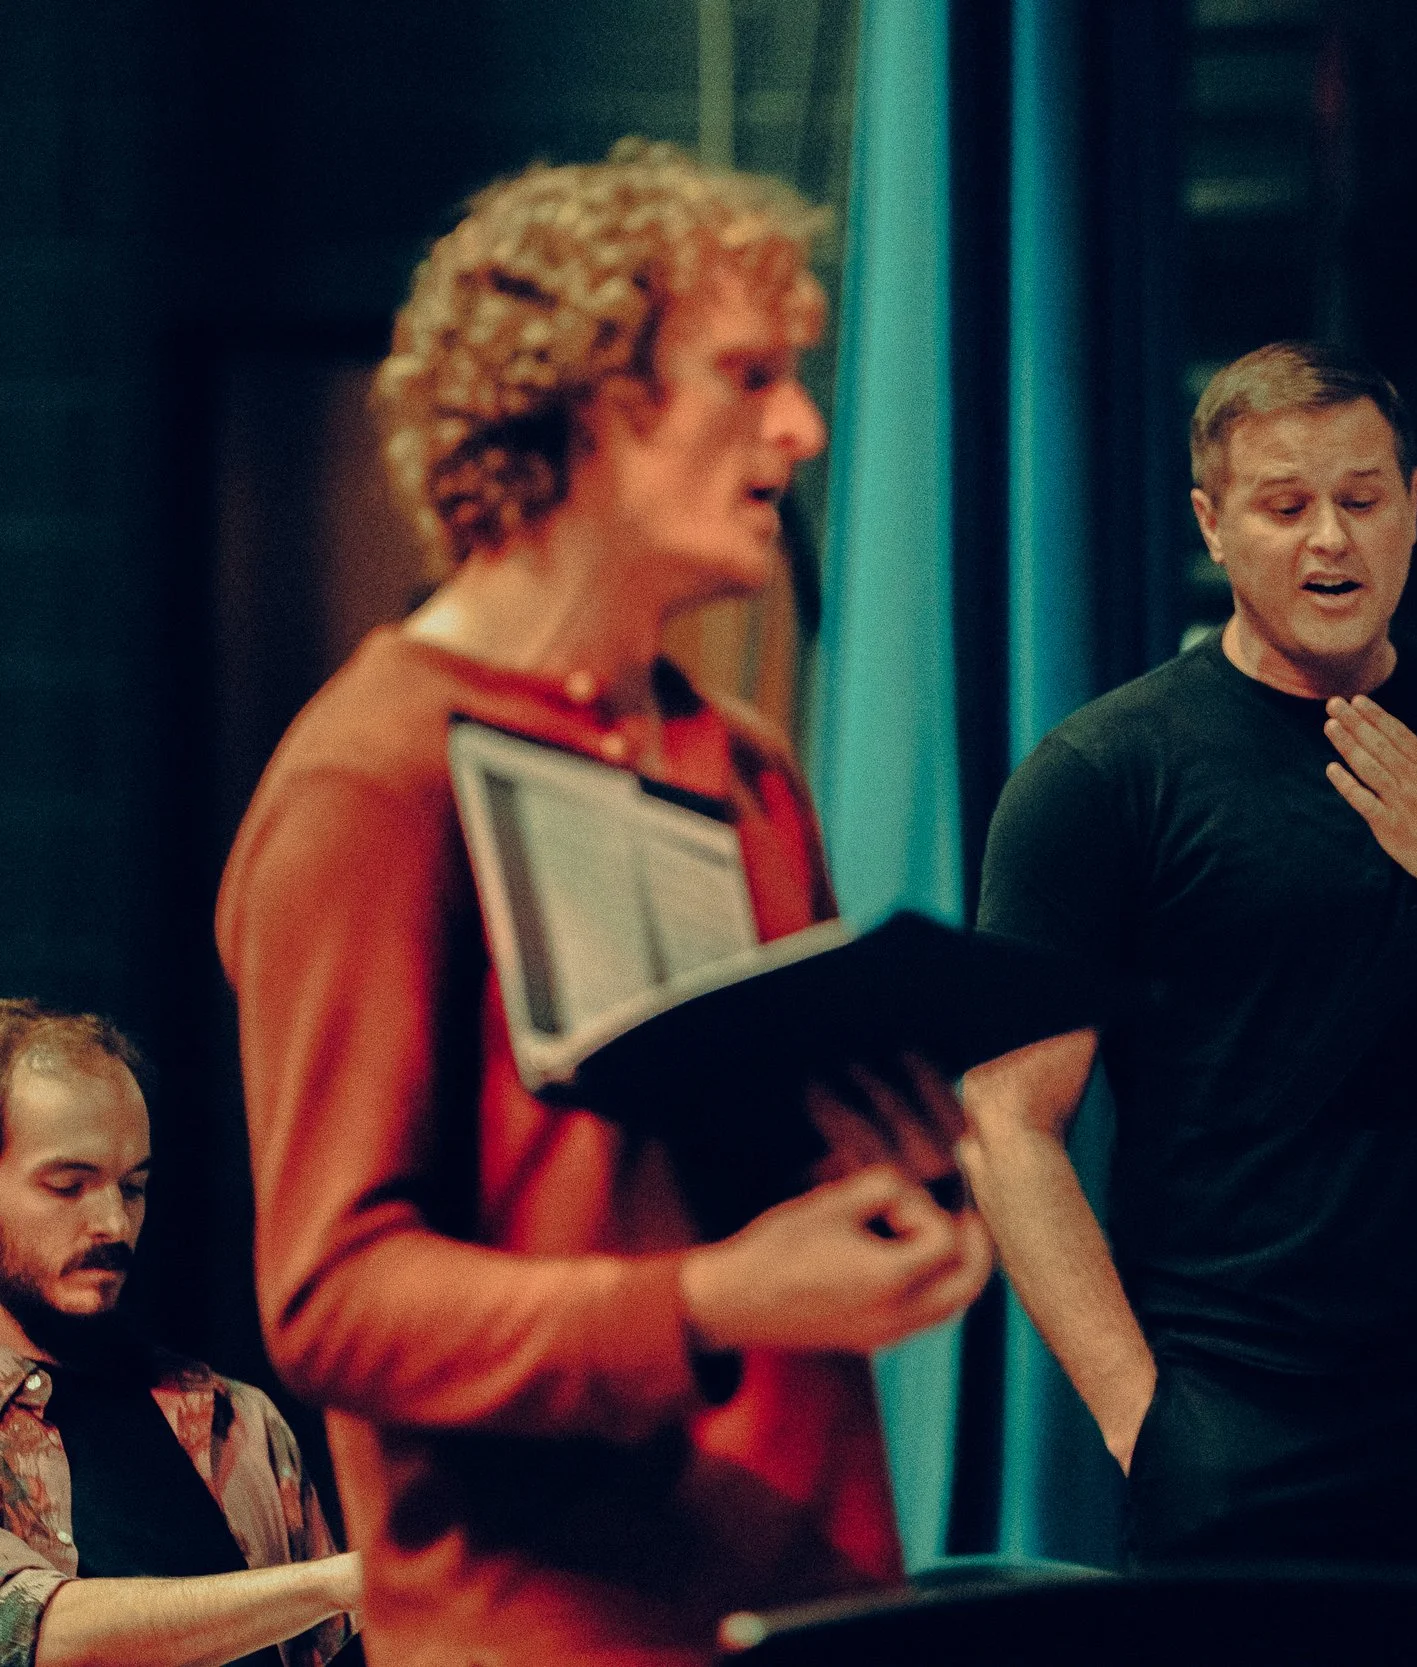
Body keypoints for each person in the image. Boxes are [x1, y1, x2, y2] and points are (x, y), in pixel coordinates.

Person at [216, 141, 990, 1666]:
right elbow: (333, 1297)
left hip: (806, 1600)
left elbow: (714, 1193)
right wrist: (713, 1294)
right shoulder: (371, 780)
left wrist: (889, 1194)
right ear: (579, 403)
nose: (802, 425)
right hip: (544, 1630)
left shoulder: (742, 764)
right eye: (747, 373)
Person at [962, 341, 1417, 1574]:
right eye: (1284, 505)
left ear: (1416, 502)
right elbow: (1006, 1117)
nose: (1330, 544)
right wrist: (1139, 1418)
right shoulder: (1105, 773)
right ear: (1212, 523)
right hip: (1240, 1419)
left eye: (1362, 501)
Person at [0, 1001, 359, 1667]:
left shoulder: (238, 1420)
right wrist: (338, 1582)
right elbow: (28, 1632)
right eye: (68, 1185)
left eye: (133, 1187)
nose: (113, 1222)